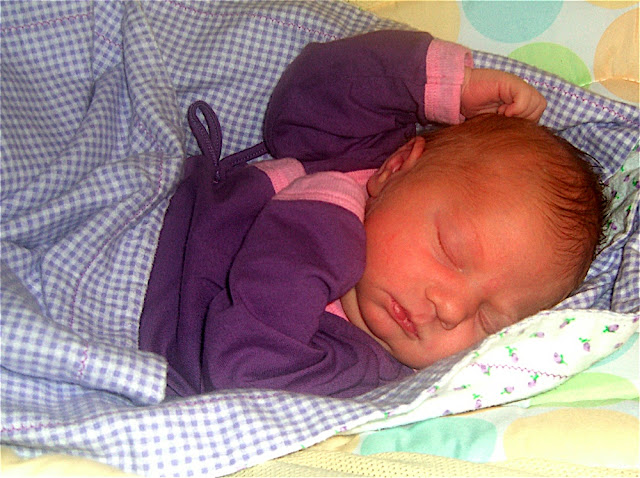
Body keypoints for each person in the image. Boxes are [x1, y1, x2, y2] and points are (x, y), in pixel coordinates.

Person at [139, 30, 605, 398]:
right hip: (151, 199)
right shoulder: (356, 160)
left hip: (132, 303)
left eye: (488, 320)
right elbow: (314, 91)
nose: (451, 309)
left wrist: (316, 233)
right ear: (397, 168)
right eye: (451, 249)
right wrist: (449, 88)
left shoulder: (359, 364)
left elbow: (243, 372)